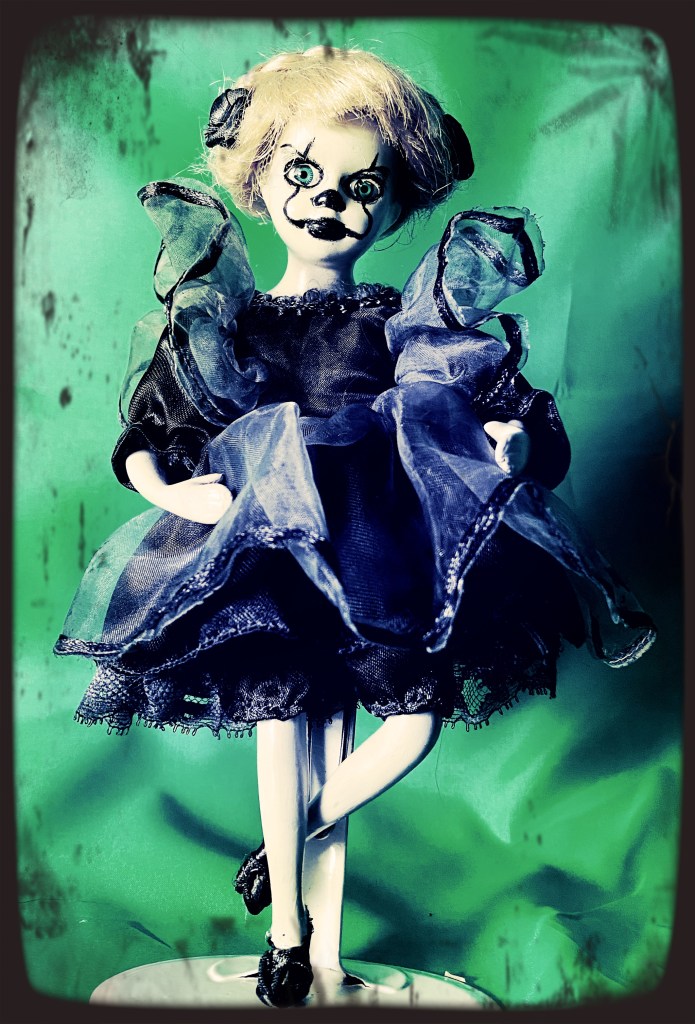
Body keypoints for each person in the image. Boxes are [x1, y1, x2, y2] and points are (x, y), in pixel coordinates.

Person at [55, 47, 656, 1008]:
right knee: (281, 719)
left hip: (382, 550)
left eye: (362, 186)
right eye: (301, 173)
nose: (328, 201)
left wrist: (507, 444)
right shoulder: (237, 323)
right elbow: (155, 428)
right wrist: (171, 491)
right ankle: (290, 943)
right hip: (266, 547)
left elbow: (481, 402)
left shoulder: (398, 322)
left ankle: (281, 848)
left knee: (409, 721)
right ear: (256, 181)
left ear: (396, 199)